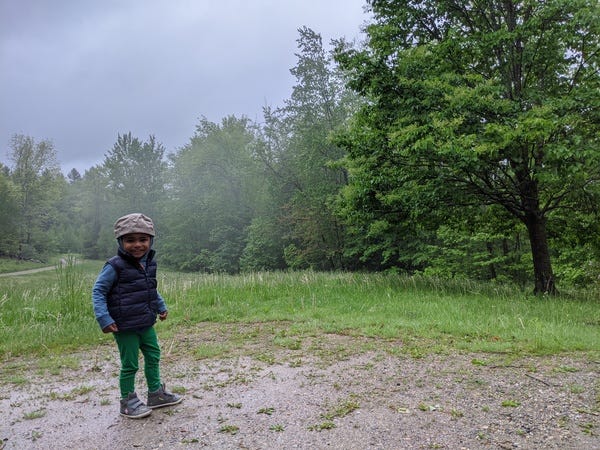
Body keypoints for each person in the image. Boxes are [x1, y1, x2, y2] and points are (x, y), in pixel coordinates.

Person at [92, 213, 182, 418]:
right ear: (120, 241)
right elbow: (98, 291)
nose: (137, 245)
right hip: (124, 325)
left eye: (143, 239)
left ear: (151, 240)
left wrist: (160, 306)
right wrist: (104, 318)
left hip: (145, 321)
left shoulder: (149, 263)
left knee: (153, 355)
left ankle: (156, 394)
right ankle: (127, 401)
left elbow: (149, 288)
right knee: (130, 364)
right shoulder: (114, 266)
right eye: (130, 240)